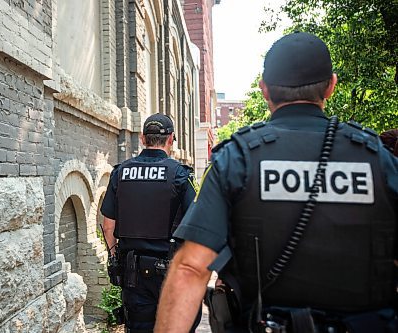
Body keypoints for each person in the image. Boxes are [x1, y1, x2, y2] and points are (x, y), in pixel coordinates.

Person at [155, 32, 398, 333]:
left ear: (264, 90)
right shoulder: (378, 158)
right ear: (331, 86)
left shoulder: (236, 159)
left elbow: (191, 268)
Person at [100, 113, 200, 333]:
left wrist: (116, 258)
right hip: (171, 274)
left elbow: (108, 227)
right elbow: (195, 227)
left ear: (144, 139)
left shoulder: (120, 173)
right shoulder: (179, 175)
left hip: (133, 275)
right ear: (171, 139)